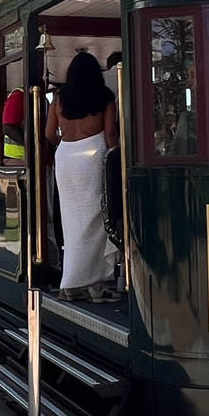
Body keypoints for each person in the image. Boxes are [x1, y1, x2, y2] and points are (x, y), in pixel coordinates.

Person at [45, 52, 121, 304]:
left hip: (66, 158)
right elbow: (110, 134)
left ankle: (83, 284)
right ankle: (86, 283)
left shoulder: (60, 98)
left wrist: (66, 147)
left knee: (72, 223)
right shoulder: (105, 97)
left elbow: (49, 133)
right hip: (93, 157)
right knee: (98, 219)